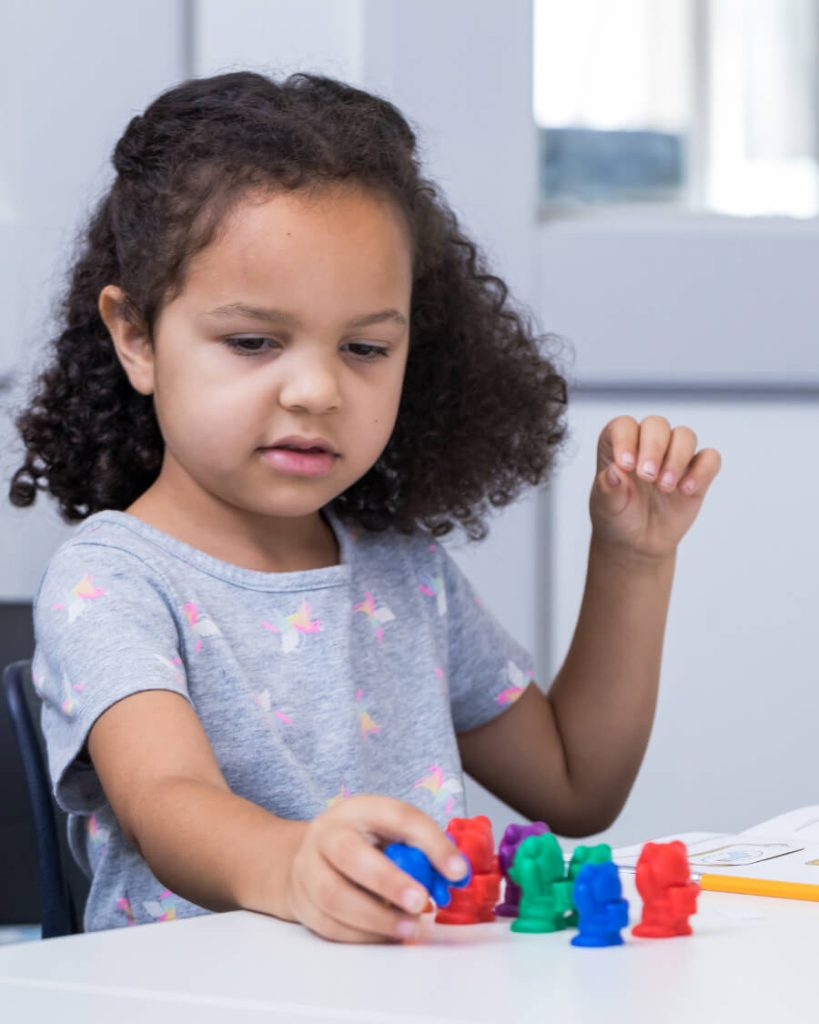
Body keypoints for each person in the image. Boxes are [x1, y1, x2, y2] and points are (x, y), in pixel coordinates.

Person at [8, 71, 721, 944]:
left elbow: (576, 785)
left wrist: (633, 559)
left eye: (364, 346)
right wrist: (293, 866)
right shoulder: (112, 581)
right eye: (253, 341)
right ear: (136, 336)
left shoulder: (403, 575)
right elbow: (166, 802)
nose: (316, 389)